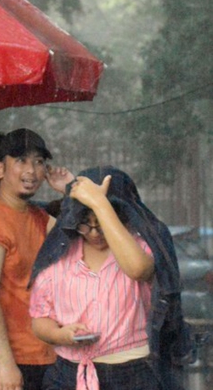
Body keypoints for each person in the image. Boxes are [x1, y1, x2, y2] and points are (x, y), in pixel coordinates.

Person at [29, 167, 192, 390]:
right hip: (69, 373)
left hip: (132, 373)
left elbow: (137, 269)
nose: (94, 233)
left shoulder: (138, 247)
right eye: (85, 223)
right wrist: (60, 335)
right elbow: (40, 317)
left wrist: (99, 203)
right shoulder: (60, 253)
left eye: (102, 224)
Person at [0, 128, 70, 390]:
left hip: (44, 356)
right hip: (7, 362)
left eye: (38, 162)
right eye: (21, 161)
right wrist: (6, 364)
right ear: (0, 169)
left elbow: (83, 238)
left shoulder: (37, 216)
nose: (32, 170)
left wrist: (69, 191)